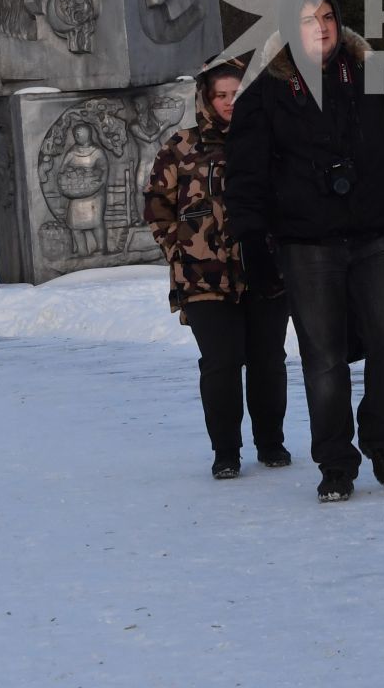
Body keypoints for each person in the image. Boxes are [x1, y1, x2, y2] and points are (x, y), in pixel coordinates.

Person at [224, 0, 384, 503]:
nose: (321, 27)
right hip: (306, 244)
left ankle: (380, 438)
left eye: (327, 16)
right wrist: (253, 242)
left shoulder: (376, 75)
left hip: (376, 236)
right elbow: (246, 174)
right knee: (323, 358)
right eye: (307, 20)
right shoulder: (266, 91)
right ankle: (336, 462)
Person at [144, 59, 290, 480]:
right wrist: (179, 248)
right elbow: (157, 205)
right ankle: (226, 450)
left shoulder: (272, 139)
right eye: (220, 95)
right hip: (203, 276)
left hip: (265, 269)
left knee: (267, 358)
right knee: (222, 361)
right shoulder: (181, 147)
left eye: (236, 95)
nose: (229, 103)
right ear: (206, 99)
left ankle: (271, 441)